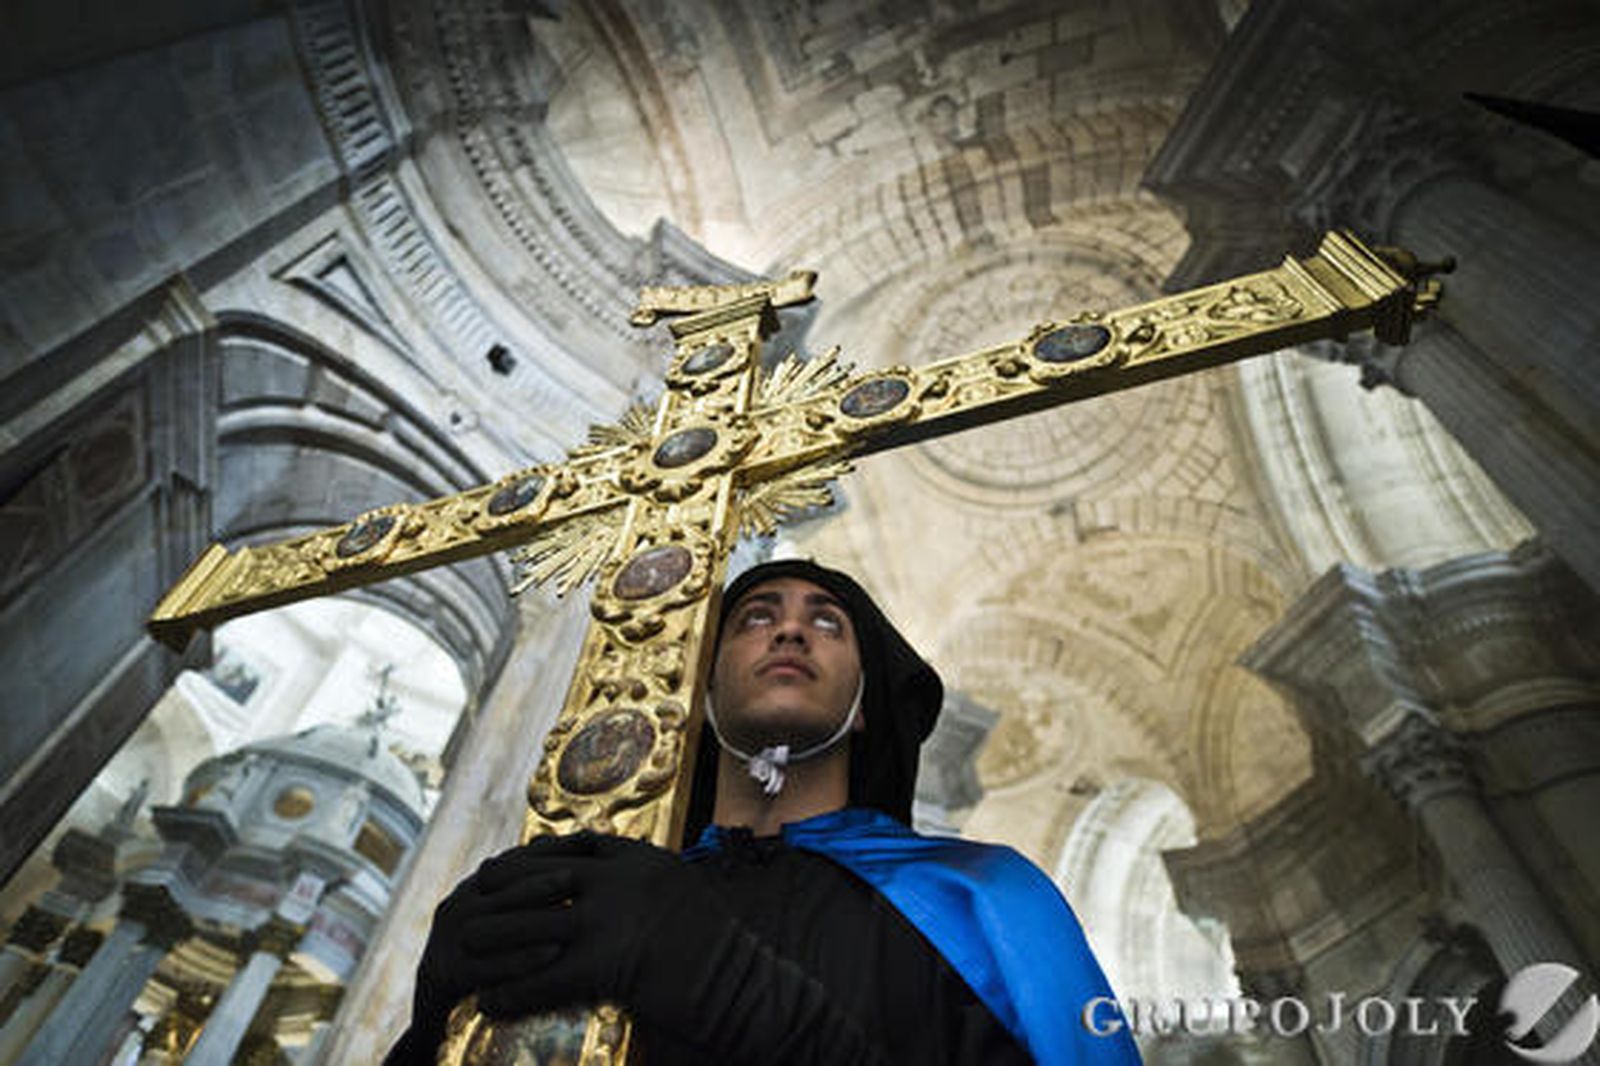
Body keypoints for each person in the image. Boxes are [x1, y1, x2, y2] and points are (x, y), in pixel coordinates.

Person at [387, 559, 1139, 1064]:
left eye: (828, 622)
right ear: (702, 693)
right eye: (754, 617)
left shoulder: (974, 895)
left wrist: (735, 991)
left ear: (868, 703)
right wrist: (432, 1031)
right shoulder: (614, 896)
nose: (789, 630)